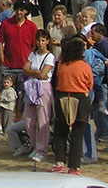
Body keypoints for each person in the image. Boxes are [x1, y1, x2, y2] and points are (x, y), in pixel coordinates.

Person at [49, 36, 94, 175]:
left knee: (60, 133)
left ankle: (59, 162)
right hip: (80, 99)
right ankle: (74, 166)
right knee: (77, 135)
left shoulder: (62, 65)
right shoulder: (84, 66)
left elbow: (57, 81)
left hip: (62, 97)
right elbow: (90, 84)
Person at [22, 29, 56, 162]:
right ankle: (35, 146)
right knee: (29, 120)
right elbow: (25, 69)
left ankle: (42, 149)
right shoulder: (33, 54)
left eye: (43, 40)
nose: (40, 43)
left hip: (43, 88)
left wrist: (35, 73)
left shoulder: (50, 57)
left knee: (43, 120)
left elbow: (43, 74)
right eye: (38, 40)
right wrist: (35, 73)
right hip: (31, 88)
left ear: (47, 41)